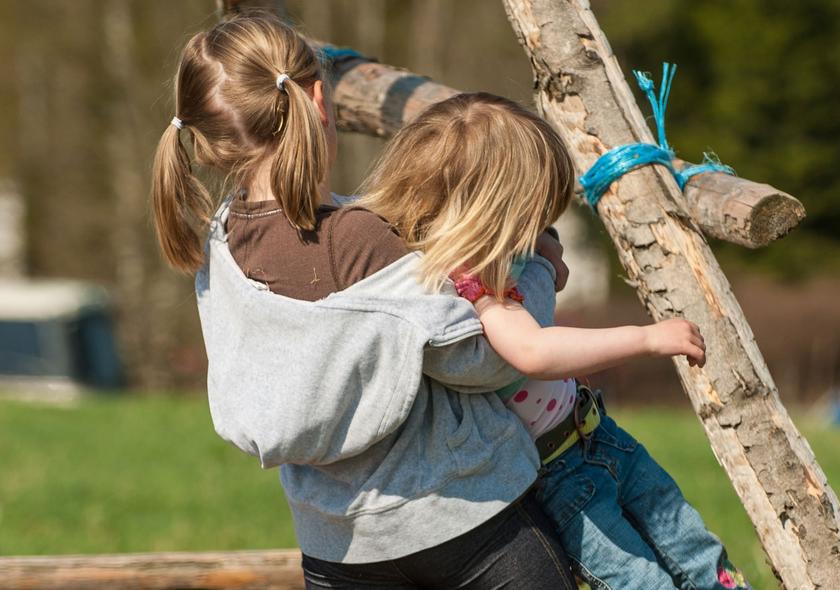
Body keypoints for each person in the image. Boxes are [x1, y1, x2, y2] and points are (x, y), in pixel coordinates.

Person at [150, 15, 579, 589]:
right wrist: (538, 272)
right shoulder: (360, 238)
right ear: (319, 101)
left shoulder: (219, 250)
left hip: (336, 548)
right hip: (465, 520)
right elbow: (484, 358)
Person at [360, 93, 750, 590]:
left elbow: (545, 268)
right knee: (640, 581)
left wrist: (543, 246)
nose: (540, 225)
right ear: (493, 206)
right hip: (562, 475)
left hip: (599, 435)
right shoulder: (473, 289)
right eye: (532, 210)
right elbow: (535, 352)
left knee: (695, 549)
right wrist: (646, 339)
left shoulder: (501, 255)